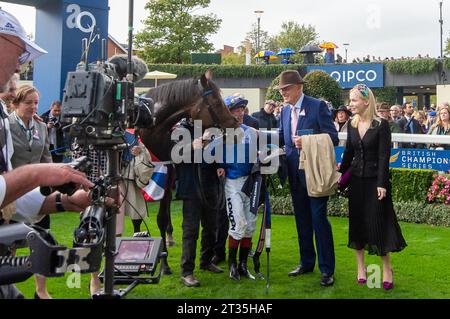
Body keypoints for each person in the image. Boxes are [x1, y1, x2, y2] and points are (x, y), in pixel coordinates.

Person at [339, 84, 407, 290]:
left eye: (354, 100)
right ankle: (361, 268)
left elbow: (383, 157)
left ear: (366, 102)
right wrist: (340, 174)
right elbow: (349, 153)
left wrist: (382, 184)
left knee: (378, 224)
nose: (350, 104)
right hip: (356, 182)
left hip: (375, 183)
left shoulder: (381, 125)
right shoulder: (351, 124)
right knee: (357, 224)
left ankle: (387, 269)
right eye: (350, 100)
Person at [276, 70, 338, 287]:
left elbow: (333, 137)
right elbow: (282, 140)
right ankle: (306, 262)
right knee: (302, 221)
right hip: (294, 175)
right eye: (281, 89)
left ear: (299, 87)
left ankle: (327, 270)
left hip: (315, 174)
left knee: (319, 221)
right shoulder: (284, 111)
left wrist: (308, 140)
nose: (283, 92)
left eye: (287, 88)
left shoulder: (317, 106)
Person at [174, 118, 223, 287]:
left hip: (210, 184)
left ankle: (206, 261)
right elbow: (175, 156)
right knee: (191, 230)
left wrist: (219, 163)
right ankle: (186, 271)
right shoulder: (181, 129)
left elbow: (218, 154)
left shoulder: (212, 128)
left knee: (211, 226)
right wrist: (192, 147)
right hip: (191, 186)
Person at [217, 95, 259, 281]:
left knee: (250, 226)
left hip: (250, 183)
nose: (240, 113)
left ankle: (243, 265)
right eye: (236, 109)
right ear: (228, 111)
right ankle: (232, 265)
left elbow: (257, 155)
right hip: (232, 183)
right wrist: (217, 166)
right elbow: (210, 156)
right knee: (238, 224)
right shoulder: (220, 133)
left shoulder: (250, 132)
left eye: (242, 109)